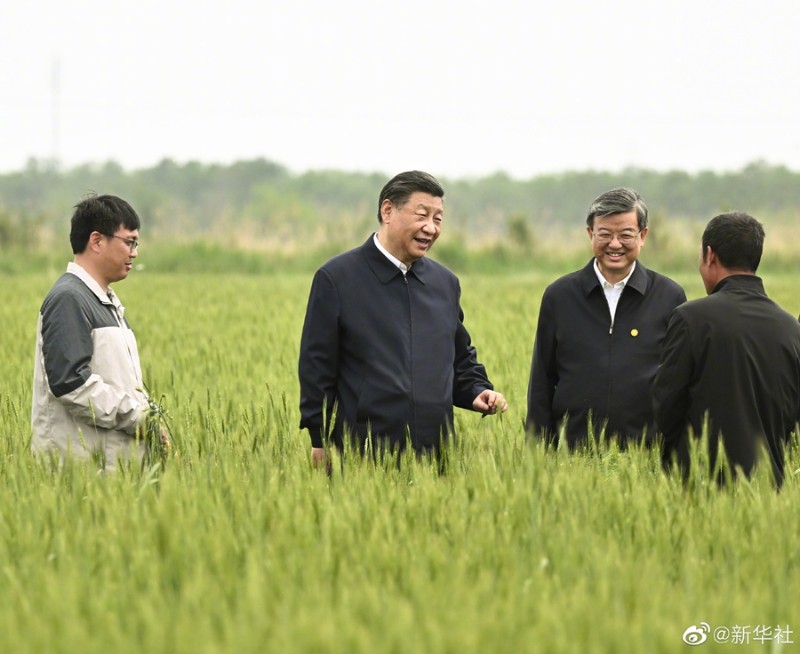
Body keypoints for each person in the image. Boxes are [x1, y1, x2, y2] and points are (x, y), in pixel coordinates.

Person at [298, 170, 507, 464]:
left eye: (438, 219)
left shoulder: (444, 283)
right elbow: (317, 366)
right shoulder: (337, 279)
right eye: (422, 215)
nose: (431, 228)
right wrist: (319, 440)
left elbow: (458, 357)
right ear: (388, 210)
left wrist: (477, 390)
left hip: (435, 456)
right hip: (362, 456)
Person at [526, 187, 686, 448]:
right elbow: (542, 383)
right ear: (590, 233)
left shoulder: (669, 296)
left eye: (625, 235)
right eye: (604, 234)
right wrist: (538, 455)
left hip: (645, 455)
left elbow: (678, 385)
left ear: (643, 235)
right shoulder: (560, 296)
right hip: (574, 455)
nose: (614, 244)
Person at [654, 212, 800, 485]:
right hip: (770, 490)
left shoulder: (690, 319)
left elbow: (667, 407)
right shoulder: (790, 328)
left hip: (700, 485)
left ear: (710, 255)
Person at [31, 193, 157, 470]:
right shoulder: (69, 299)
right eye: (129, 242)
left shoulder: (103, 300)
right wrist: (140, 417)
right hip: (82, 473)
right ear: (97, 240)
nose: (134, 252)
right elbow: (70, 383)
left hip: (110, 471)